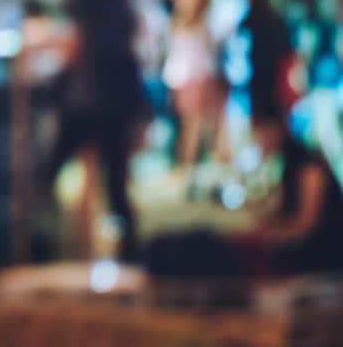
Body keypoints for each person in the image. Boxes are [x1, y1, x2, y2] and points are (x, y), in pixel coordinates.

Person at [146, 98, 343, 278]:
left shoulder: (309, 166)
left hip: (321, 255)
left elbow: (305, 225)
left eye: (260, 132)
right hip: (302, 248)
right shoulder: (287, 164)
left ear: (276, 129)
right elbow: (281, 214)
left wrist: (269, 236)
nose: (258, 140)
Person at [46, 0, 148, 262]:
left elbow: (74, 46)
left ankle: (44, 237)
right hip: (115, 98)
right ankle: (127, 248)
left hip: (86, 98)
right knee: (115, 180)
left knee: (50, 169)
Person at [165, 0, 225, 172]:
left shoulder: (200, 23)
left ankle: (189, 164)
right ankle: (187, 164)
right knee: (191, 125)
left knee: (197, 125)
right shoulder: (182, 22)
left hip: (196, 77)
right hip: (188, 78)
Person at [243, 0, 294, 119]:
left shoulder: (249, 21)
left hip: (258, 79)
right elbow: (287, 51)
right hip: (273, 79)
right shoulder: (276, 21)